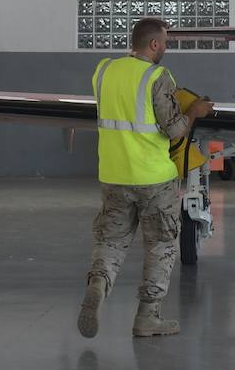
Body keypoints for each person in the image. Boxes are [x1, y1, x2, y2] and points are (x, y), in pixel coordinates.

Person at [77, 17, 214, 338]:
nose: (166, 47)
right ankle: (147, 317)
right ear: (153, 44)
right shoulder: (158, 76)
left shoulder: (104, 70)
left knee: (110, 241)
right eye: (164, 42)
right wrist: (195, 111)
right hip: (154, 177)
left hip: (113, 174)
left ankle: (98, 283)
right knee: (161, 246)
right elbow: (175, 130)